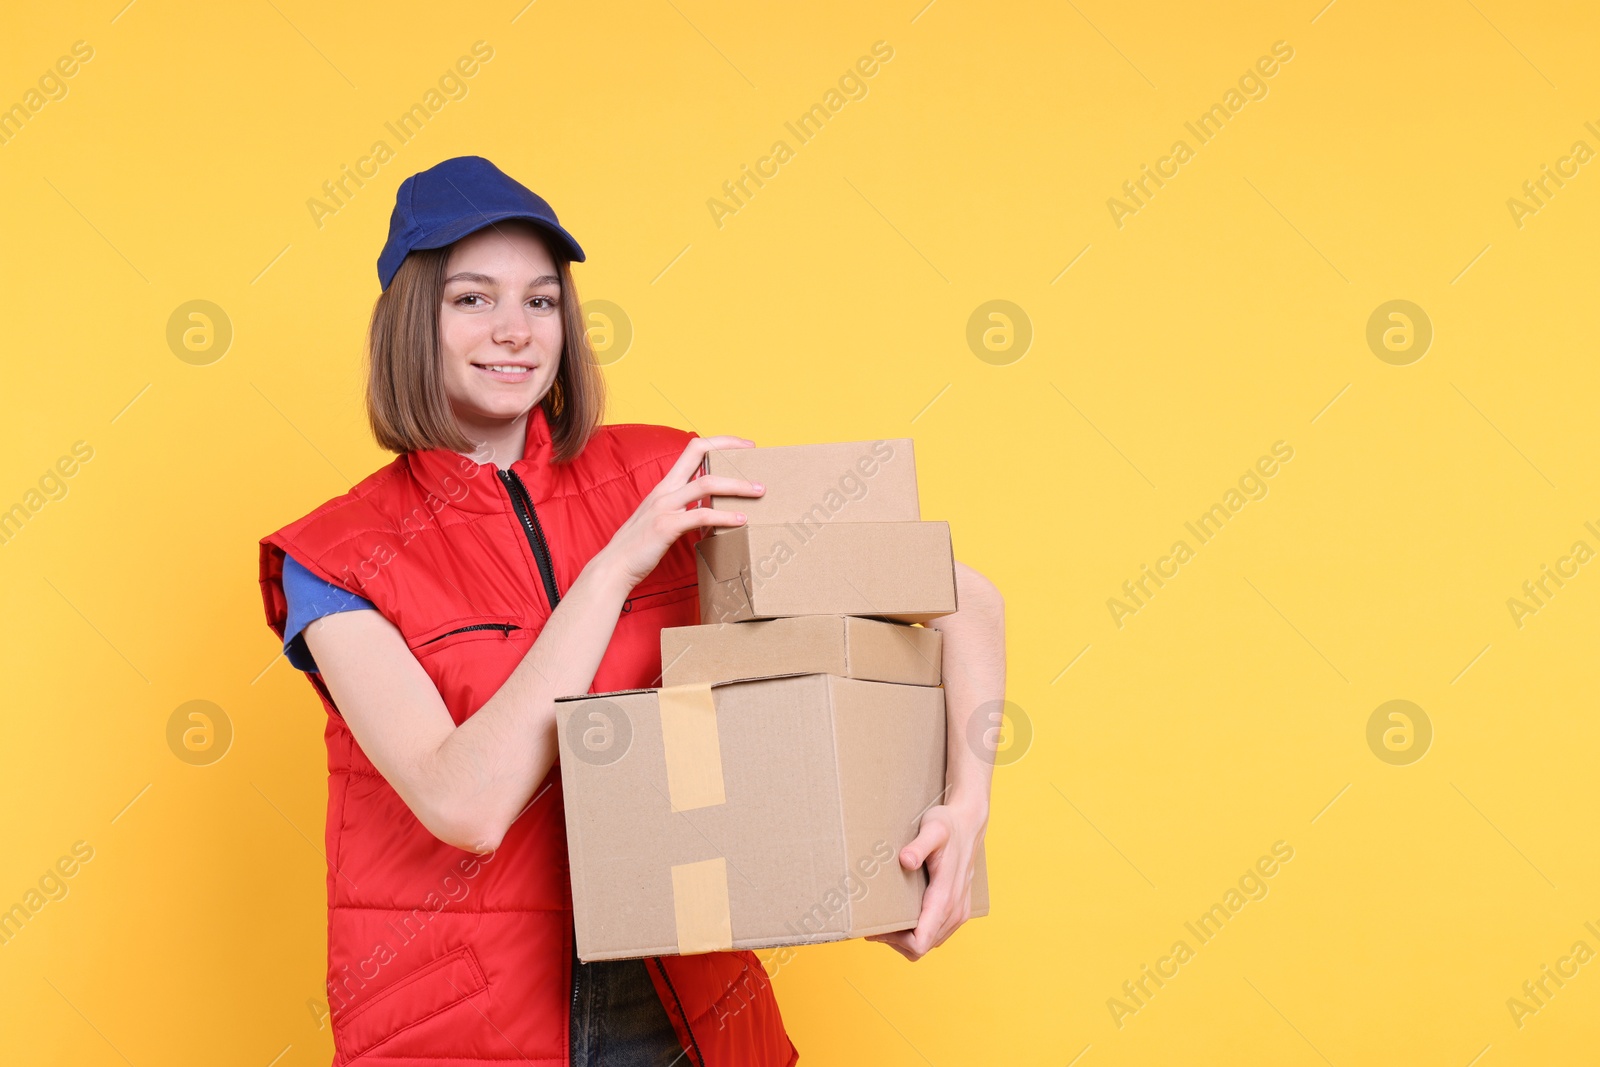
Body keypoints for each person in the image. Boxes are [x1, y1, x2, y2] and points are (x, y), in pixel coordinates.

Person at [256, 155, 1004, 1067]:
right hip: (465, 1031)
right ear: (414, 319)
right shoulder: (336, 556)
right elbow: (468, 802)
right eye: (472, 299)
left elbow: (964, 597)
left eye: (540, 301)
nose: (514, 332)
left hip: (691, 1017)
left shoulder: (666, 475)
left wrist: (964, 810)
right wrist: (618, 564)